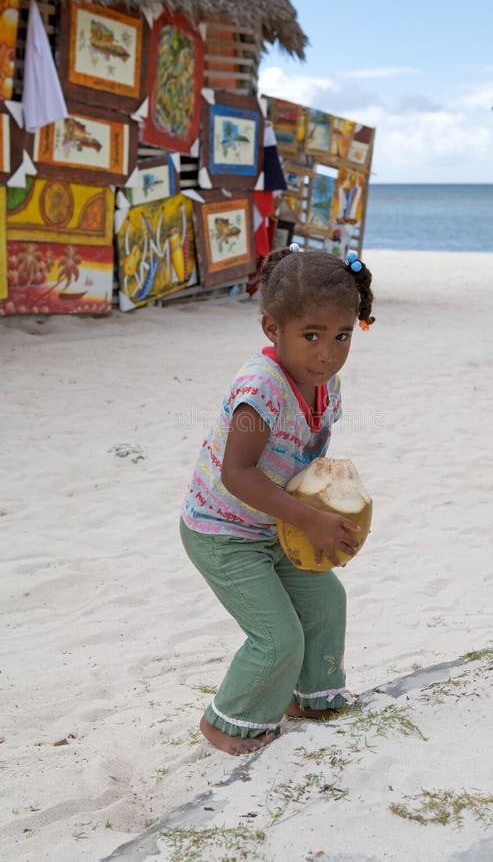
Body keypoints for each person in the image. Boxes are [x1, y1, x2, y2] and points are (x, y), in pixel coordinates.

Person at [179, 244, 375, 756]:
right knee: (276, 637)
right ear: (273, 330)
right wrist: (309, 519)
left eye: (341, 336)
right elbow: (238, 474)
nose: (327, 353)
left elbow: (306, 461)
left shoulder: (326, 384)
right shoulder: (260, 390)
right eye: (311, 336)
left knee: (327, 599)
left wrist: (329, 513)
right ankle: (229, 724)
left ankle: (311, 698)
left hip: (271, 526)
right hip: (222, 531)